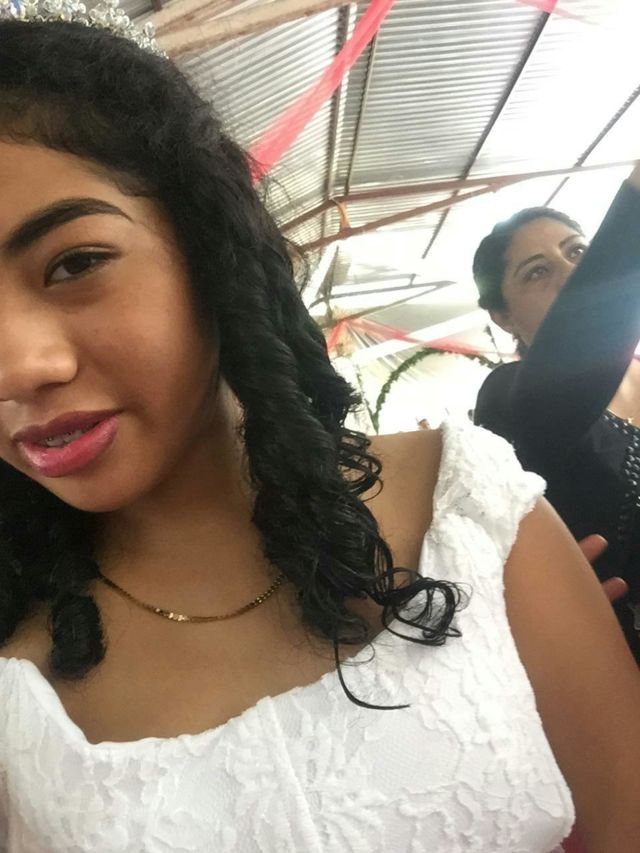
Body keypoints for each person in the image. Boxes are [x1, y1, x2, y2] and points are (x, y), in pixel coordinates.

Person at [0, 7, 639, 852]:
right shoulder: (15, 681)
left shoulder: (463, 507)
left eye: (74, 263)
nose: (17, 368)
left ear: (208, 243)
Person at [473, 186, 640, 666]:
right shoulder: (511, 396)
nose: (571, 273)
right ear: (504, 316)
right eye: (537, 272)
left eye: (578, 253)